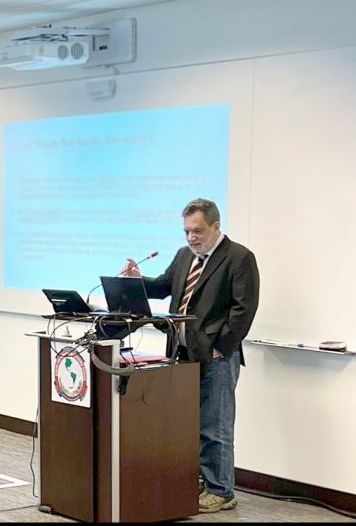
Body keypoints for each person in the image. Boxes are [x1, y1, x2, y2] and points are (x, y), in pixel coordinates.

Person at [120, 198, 259, 513]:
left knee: (216, 425)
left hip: (217, 357)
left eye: (197, 231)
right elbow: (163, 287)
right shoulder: (185, 256)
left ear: (215, 226)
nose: (191, 237)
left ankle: (221, 491)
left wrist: (220, 347)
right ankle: (199, 479)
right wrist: (136, 279)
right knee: (187, 423)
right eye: (186, 231)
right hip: (180, 352)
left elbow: (243, 310)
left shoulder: (239, 258)